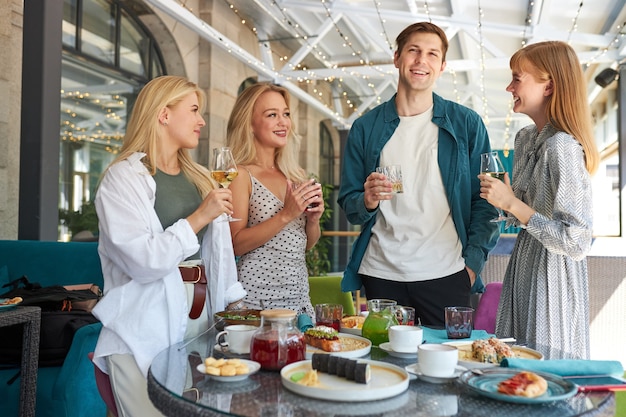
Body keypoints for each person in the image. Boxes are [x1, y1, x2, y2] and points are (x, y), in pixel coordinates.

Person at [91, 75, 246, 416]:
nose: (202, 120)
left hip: (200, 326)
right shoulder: (123, 178)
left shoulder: (201, 177)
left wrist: (231, 307)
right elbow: (141, 261)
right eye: (193, 110)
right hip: (143, 327)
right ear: (163, 114)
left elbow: (218, 255)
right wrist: (199, 216)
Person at [337, 21, 499, 327]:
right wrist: (367, 201)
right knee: (388, 366)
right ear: (397, 58)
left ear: (442, 66)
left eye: (431, 54)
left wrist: (472, 266)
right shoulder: (365, 127)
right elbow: (350, 204)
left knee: (448, 367)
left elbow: (486, 201)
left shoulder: (466, 124)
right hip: (381, 274)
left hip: (447, 273)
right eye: (413, 51)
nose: (421, 60)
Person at [479, 41, 599, 359]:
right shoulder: (525, 139)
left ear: (549, 86)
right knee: (514, 366)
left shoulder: (563, 147)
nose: (509, 86)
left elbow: (577, 241)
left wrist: (513, 204)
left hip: (553, 278)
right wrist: (505, 201)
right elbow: (524, 214)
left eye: (517, 78)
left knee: (540, 374)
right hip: (524, 265)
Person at [227, 83, 324, 319]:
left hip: (299, 298)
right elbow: (235, 244)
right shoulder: (240, 174)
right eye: (272, 115)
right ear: (249, 124)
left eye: (286, 114)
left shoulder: (295, 174)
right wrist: (285, 215)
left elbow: (307, 244)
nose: (283, 122)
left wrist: (313, 221)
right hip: (257, 300)